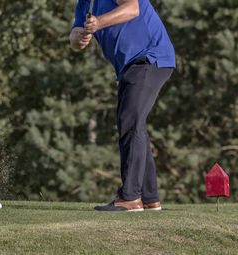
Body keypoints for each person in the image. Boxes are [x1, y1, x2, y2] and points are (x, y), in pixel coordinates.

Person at [69, 0, 176, 211]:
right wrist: (79, 37)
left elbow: (132, 8)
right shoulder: (85, 4)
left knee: (130, 121)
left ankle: (130, 198)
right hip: (130, 67)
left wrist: (98, 22)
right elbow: (75, 37)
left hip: (151, 58)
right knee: (132, 124)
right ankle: (149, 197)